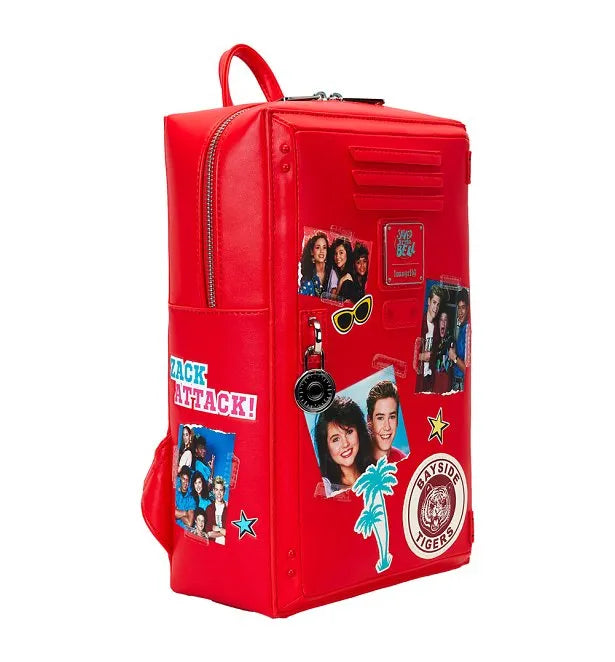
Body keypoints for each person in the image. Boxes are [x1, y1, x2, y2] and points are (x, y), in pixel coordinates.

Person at [315, 396, 373, 497]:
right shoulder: (325, 491)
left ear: (359, 432)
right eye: (335, 439)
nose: (345, 444)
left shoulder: (379, 471)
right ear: (326, 447)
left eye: (349, 432)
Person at [366, 380, 406, 463]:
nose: (387, 427)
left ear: (397, 421)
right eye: (380, 418)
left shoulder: (403, 460)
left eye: (392, 417)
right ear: (369, 421)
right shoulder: (355, 461)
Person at [415, 284, 444, 392]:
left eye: (438, 304)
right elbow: (402, 354)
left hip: (429, 381)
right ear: (428, 301)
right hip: (417, 380)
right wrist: (420, 356)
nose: (435, 308)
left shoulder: (437, 328)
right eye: (434, 302)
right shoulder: (418, 323)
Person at [326, 237, 360, 302]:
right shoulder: (339, 273)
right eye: (335, 253)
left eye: (341, 253)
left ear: (347, 254)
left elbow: (336, 302)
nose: (337, 257)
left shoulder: (348, 279)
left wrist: (341, 282)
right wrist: (341, 281)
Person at [449, 288, 470, 391]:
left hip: (462, 384)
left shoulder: (468, 330)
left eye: (463, 307)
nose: (460, 312)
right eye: (458, 308)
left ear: (468, 308)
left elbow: (468, 371)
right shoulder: (462, 327)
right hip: (456, 382)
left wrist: (454, 357)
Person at [298, 232, 330, 297]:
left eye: (324, 247)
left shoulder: (332, 272)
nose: (322, 251)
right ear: (312, 252)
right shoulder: (307, 280)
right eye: (318, 247)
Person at [433, 309, 455, 393]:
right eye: (441, 320)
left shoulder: (451, 340)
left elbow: (452, 362)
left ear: (448, 323)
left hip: (445, 379)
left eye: (445, 320)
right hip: (434, 379)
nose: (443, 323)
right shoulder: (435, 338)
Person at [205, 476, 228, 545]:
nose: (219, 493)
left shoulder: (228, 508)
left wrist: (218, 528)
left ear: (224, 491)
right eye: (216, 490)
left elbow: (231, 533)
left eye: (221, 490)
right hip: (213, 545)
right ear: (213, 491)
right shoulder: (209, 509)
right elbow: (209, 534)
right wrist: (223, 532)